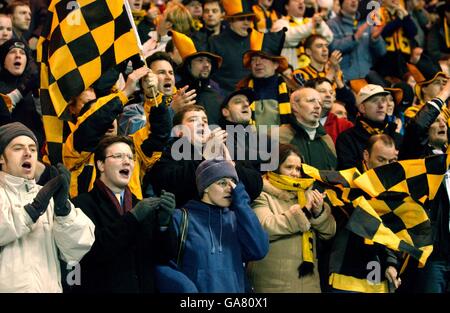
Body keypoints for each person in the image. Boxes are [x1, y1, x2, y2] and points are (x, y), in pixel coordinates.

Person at [72, 136, 177, 293]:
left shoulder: (142, 205)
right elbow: (91, 255)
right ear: (101, 164)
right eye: (118, 156)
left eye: (130, 157)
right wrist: (132, 219)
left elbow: (163, 256)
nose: (127, 161)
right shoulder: (81, 205)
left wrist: (164, 224)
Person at [0, 122, 95, 292]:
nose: (27, 153)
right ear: (1, 157)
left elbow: (76, 250)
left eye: (32, 149)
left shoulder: (47, 197)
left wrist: (63, 211)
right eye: (18, 148)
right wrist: (32, 211)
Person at [157, 158, 269, 292]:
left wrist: (242, 203)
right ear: (205, 188)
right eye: (222, 183)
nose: (230, 189)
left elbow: (259, 250)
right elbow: (162, 265)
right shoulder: (181, 218)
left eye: (233, 183)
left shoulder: (236, 219)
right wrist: (186, 289)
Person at [248, 144, 336, 292]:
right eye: (289, 167)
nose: (295, 173)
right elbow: (264, 228)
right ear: (275, 167)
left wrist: (318, 212)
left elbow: (330, 233)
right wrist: (303, 213)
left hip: (309, 283)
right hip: (272, 284)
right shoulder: (262, 194)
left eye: (298, 169)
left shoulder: (307, 195)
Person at [329, 134, 401, 293]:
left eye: (391, 162)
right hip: (345, 277)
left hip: (378, 277)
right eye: (380, 160)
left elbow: (393, 234)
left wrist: (391, 263)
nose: (386, 167)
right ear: (366, 156)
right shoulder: (346, 184)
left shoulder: (397, 192)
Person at [335, 84, 401, 171]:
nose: (381, 105)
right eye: (375, 101)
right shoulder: (347, 139)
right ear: (362, 108)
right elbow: (348, 174)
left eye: (383, 100)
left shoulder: (395, 135)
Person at [280, 87, 337, 170]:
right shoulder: (276, 135)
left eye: (320, 103)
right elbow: (265, 174)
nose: (317, 106)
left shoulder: (327, 139)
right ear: (295, 106)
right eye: (311, 101)